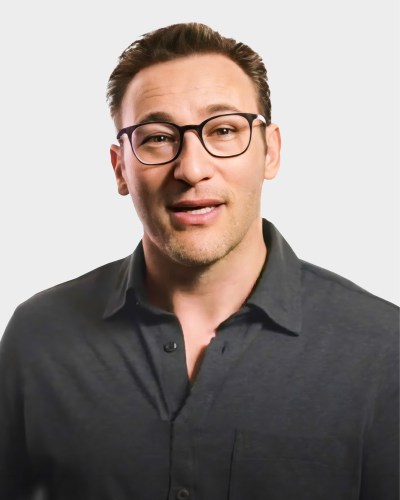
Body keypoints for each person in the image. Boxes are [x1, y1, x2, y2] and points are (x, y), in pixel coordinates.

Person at [0, 22, 398, 500]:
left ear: (270, 152)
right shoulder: (38, 338)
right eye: (157, 138)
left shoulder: (381, 350)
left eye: (224, 130)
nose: (190, 168)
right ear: (120, 168)